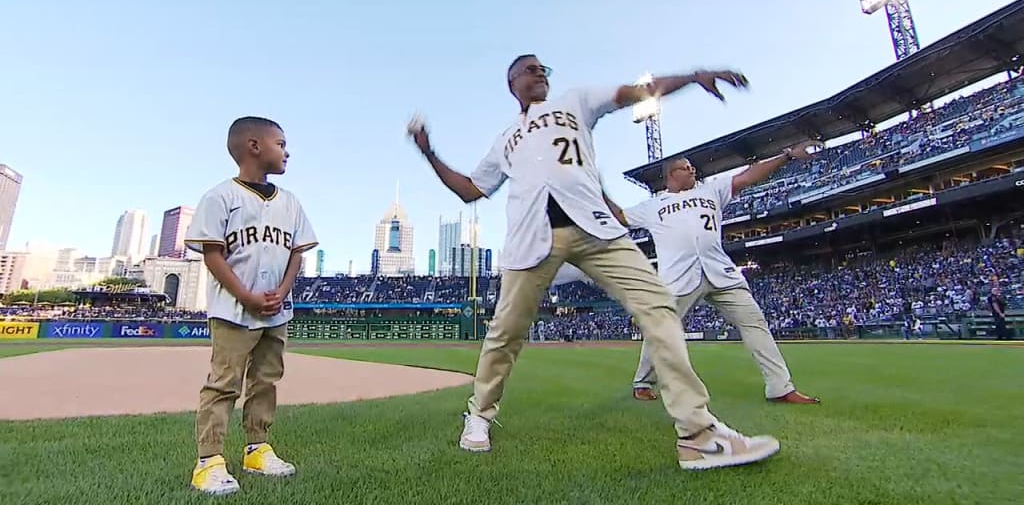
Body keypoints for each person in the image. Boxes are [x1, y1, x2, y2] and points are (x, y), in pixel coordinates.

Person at [408, 54, 780, 471]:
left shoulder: (575, 101)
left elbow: (636, 92)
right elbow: (472, 190)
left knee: (659, 305)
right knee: (505, 333)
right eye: (531, 69)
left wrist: (693, 78)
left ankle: (697, 435)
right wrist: (429, 153)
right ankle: (478, 415)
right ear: (513, 82)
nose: (541, 74)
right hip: (532, 238)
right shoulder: (505, 138)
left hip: (596, 228)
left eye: (543, 69)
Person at [605, 148, 822, 404]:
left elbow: (747, 177)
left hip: (721, 272)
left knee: (755, 323)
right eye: (686, 168)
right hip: (678, 278)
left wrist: (786, 156)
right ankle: (642, 381)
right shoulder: (653, 205)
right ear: (670, 175)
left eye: (692, 167)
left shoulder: (711, 190)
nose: (692, 170)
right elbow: (620, 217)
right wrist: (599, 191)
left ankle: (780, 387)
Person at [184, 116, 318, 495]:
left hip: (277, 308)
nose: (287, 151)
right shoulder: (220, 196)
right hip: (232, 309)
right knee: (223, 383)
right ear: (254, 146)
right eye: (280, 143)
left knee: (266, 381)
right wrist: (245, 295)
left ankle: (257, 448)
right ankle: (208, 461)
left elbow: (297, 253)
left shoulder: (290, 202)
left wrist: (284, 290)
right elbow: (212, 254)